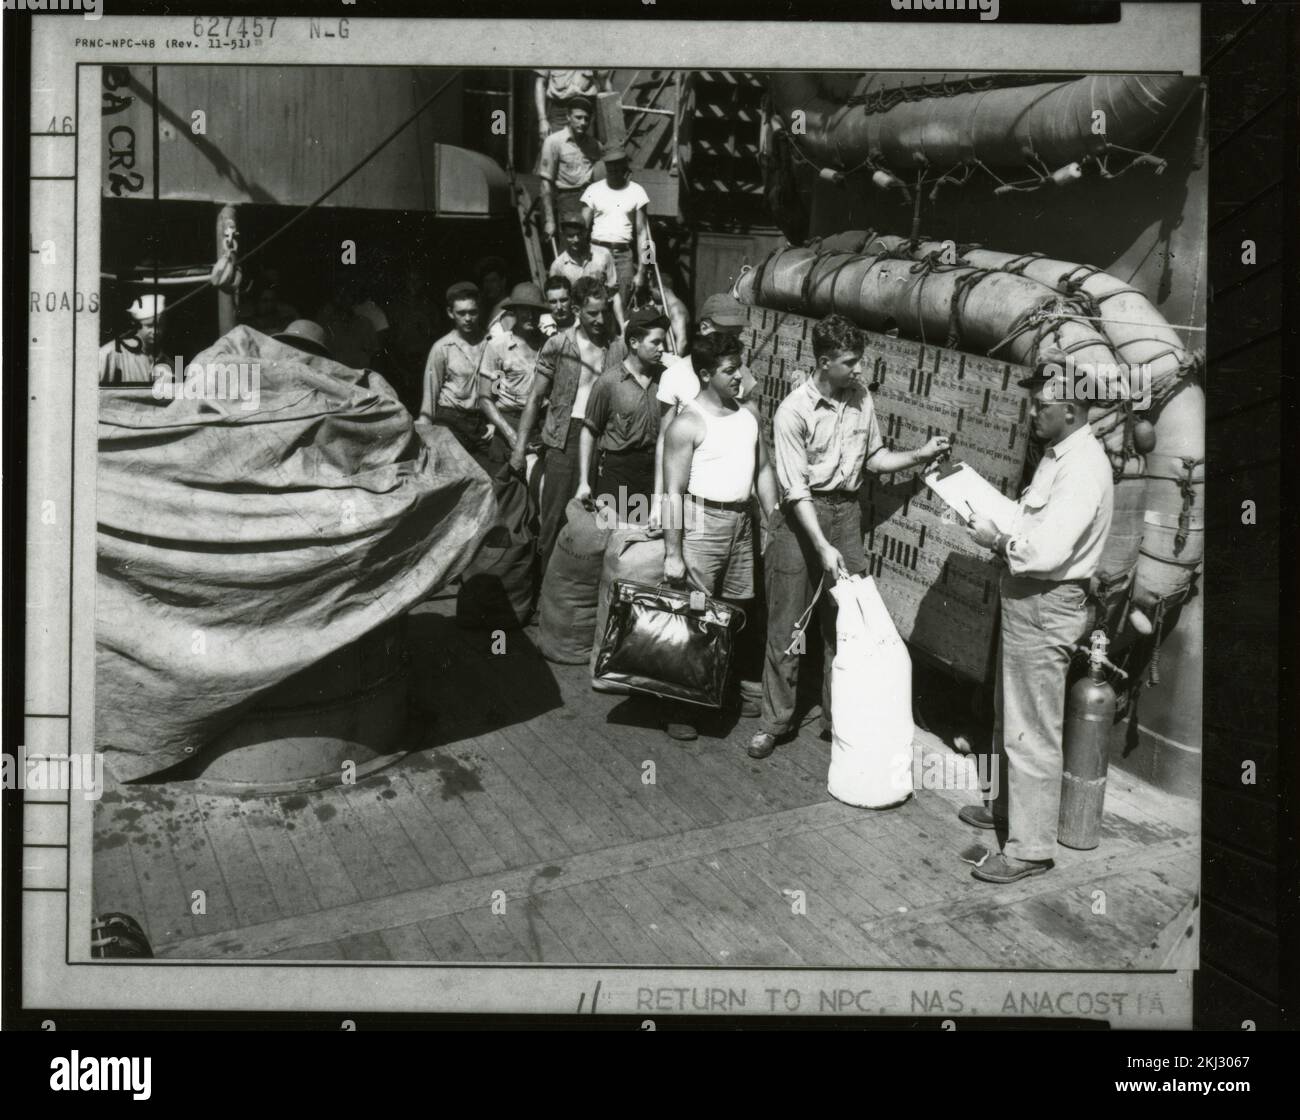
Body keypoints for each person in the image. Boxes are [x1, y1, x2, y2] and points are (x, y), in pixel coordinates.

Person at [748, 314, 950, 760]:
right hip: (801, 520)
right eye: (851, 362)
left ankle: (838, 719)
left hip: (847, 514)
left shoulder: (861, 399)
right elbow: (795, 489)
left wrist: (920, 455)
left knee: (846, 623)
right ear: (824, 362)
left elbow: (874, 459)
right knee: (788, 625)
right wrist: (822, 546)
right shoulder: (793, 412)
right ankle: (775, 722)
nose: (860, 370)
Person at [960, 352, 1115, 884]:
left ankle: (1029, 849)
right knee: (1012, 717)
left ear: (1071, 411)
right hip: (1028, 599)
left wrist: (997, 539)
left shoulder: (1082, 468)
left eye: (1041, 405)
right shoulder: (1059, 454)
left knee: (1033, 726)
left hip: (1047, 603)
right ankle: (1007, 812)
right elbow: (1034, 523)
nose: (1031, 412)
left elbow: (1046, 551)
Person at [660, 332, 779, 740]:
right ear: (706, 374)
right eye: (730, 371)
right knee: (694, 614)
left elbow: (763, 470)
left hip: (742, 526)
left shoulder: (749, 417)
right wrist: (673, 553)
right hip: (701, 524)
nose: (740, 377)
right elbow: (672, 494)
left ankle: (719, 689)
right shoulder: (687, 424)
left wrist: (772, 517)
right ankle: (682, 704)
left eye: (740, 367)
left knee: (736, 610)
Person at [512, 277, 624, 570]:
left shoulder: (617, 348)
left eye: (604, 312)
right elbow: (535, 398)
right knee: (554, 521)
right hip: (565, 440)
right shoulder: (558, 345)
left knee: (600, 519)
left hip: (605, 440)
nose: (600, 320)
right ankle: (548, 597)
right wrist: (519, 448)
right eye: (592, 313)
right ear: (576, 310)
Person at [652, 293, 760, 523]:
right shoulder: (674, 376)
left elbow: (753, 438)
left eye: (737, 334)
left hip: (735, 502)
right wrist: (658, 501)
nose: (733, 340)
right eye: (727, 333)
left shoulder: (741, 377)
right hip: (694, 497)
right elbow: (664, 440)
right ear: (704, 327)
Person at [576, 310, 669, 524]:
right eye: (655, 342)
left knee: (646, 541)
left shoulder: (666, 379)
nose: (662, 348)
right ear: (634, 343)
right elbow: (589, 430)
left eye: (663, 342)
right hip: (618, 472)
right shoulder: (609, 383)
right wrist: (583, 481)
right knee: (614, 541)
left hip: (654, 471)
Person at [479, 282, 548, 474]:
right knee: (513, 491)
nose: (531, 316)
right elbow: (488, 396)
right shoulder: (499, 348)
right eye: (525, 310)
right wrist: (509, 433)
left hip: (543, 424)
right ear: (514, 311)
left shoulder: (548, 344)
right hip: (511, 422)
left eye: (536, 310)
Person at [420, 281, 490, 463]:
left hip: (483, 420)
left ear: (479, 311)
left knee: (496, 471)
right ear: (450, 313)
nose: (468, 318)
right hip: (452, 420)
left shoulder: (491, 343)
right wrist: (426, 431)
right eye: (461, 313)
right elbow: (430, 396)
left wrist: (494, 420)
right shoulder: (442, 348)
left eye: (472, 312)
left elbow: (498, 382)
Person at [581, 146, 651, 310]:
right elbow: (582, 227)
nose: (613, 168)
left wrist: (642, 272)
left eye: (618, 163)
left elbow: (643, 233)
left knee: (622, 304)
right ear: (605, 165)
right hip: (596, 253)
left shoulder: (637, 191)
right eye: (610, 164)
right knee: (592, 302)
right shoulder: (593, 190)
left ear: (624, 165)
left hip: (623, 256)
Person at [538, 97, 602, 244]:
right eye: (578, 117)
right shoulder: (554, 142)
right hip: (567, 201)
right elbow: (545, 184)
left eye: (587, 119)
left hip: (590, 202)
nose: (583, 123)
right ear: (568, 117)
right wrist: (549, 220)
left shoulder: (595, 145)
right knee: (569, 250)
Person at [550, 216, 625, 330]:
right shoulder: (558, 266)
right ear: (563, 235)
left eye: (579, 234)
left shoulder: (603, 255)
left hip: (603, 319)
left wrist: (622, 326)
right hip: (576, 325)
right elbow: (557, 303)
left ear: (585, 232)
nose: (576, 239)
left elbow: (614, 294)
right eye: (570, 236)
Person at [99, 293, 172, 386]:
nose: (155, 331)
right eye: (149, 326)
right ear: (135, 325)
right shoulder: (110, 354)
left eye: (160, 325)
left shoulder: (169, 364)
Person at [316, 281, 383, 370]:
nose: (344, 300)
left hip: (357, 376)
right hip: (331, 374)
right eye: (339, 296)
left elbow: (374, 353)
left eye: (348, 296)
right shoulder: (325, 322)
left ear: (353, 299)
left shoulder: (365, 323)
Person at [535, 68, 612, 139]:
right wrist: (542, 120)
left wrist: (611, 119)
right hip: (559, 112)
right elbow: (540, 83)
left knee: (587, 149)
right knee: (555, 145)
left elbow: (604, 81)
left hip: (585, 109)